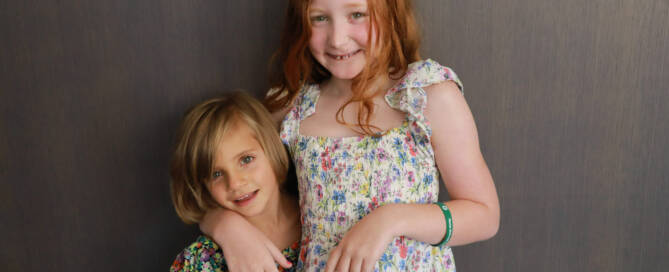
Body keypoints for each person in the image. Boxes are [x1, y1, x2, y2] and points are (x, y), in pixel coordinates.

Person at [202, 0, 500, 271]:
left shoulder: (426, 96)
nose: (337, 39)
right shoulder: (292, 108)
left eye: (357, 14)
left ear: (390, 12)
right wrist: (225, 225)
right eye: (319, 18)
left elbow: (484, 215)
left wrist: (391, 219)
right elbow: (227, 182)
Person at [168, 92, 301, 272]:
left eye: (246, 160)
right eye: (216, 174)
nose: (235, 183)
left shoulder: (320, 218)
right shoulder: (201, 261)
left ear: (272, 149)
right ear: (204, 185)